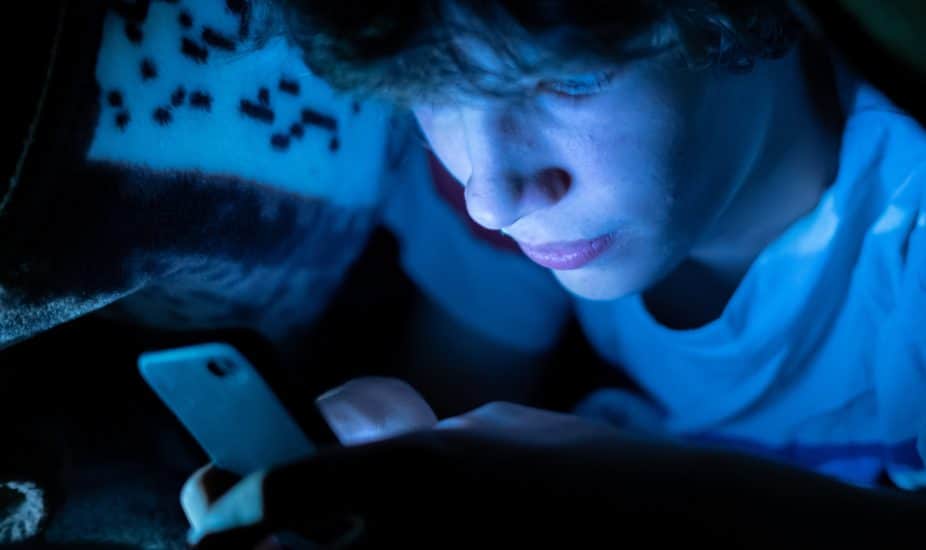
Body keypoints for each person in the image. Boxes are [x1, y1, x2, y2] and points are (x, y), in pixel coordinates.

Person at [183, 0, 926, 548]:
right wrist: (393, 433)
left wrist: (610, 489)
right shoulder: (522, 200)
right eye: (432, 92)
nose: (492, 194)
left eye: (566, 81)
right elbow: (462, 385)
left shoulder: (909, 226)